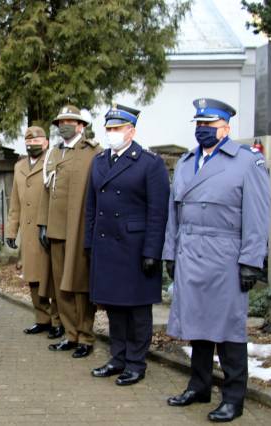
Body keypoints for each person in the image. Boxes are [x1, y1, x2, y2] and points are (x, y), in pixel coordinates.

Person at [163, 98, 270, 422]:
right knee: (198, 327)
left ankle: (234, 397)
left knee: (229, 331)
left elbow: (258, 215)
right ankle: (199, 386)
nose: (202, 130)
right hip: (190, 254)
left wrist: (252, 260)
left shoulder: (246, 162)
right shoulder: (185, 162)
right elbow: (174, 214)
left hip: (225, 258)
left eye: (208, 125)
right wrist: (170, 253)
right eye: (198, 125)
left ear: (225, 127)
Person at [85, 103, 169, 386]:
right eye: (108, 129)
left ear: (131, 131)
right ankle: (117, 357)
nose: (111, 133)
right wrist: (89, 242)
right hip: (107, 245)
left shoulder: (149, 163)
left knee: (137, 310)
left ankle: (136, 362)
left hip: (135, 248)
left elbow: (158, 212)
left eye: (117, 128)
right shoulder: (98, 162)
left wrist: (152, 252)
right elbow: (91, 207)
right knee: (114, 307)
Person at [38, 105, 103, 358]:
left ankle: (86, 336)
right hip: (56, 229)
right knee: (61, 287)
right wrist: (43, 223)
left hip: (80, 228)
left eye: (69, 121)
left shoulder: (93, 152)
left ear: (81, 126)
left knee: (80, 285)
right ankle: (70, 334)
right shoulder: (54, 152)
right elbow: (47, 190)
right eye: (60, 122)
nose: (63, 125)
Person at [6, 126, 64, 339]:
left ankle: (59, 321)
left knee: (52, 277)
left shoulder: (53, 161)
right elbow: (15, 202)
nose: (32, 145)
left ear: (46, 142)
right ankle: (42, 319)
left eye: (37, 141)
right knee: (33, 279)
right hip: (29, 232)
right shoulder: (19, 166)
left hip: (48, 229)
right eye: (29, 142)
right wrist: (12, 231)